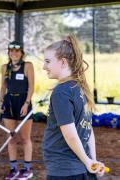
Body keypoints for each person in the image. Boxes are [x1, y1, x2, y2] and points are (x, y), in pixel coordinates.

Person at [42, 34, 105, 180]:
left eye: (48, 61)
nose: (44, 67)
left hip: (65, 170)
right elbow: (89, 130)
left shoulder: (61, 92)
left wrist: (89, 161)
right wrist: (91, 160)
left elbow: (70, 136)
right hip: (83, 167)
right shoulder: (80, 88)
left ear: (63, 62)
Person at [0, 41, 34, 180]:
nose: (14, 53)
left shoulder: (28, 66)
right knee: (11, 137)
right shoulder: (4, 67)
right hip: (9, 102)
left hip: (23, 102)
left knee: (25, 138)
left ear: (21, 53)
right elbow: (3, 87)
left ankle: (27, 169)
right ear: (8, 53)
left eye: (17, 51)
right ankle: (13, 169)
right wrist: (1, 103)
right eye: (11, 51)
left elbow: (31, 87)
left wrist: (26, 103)